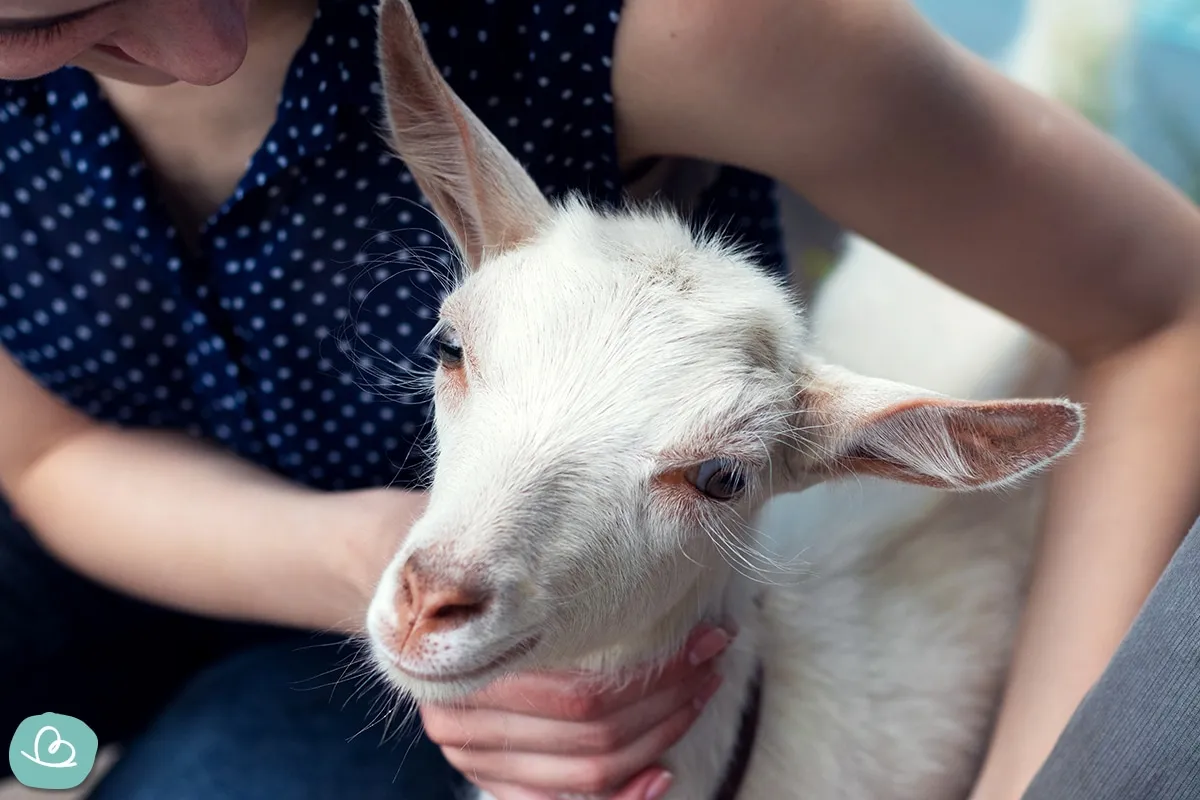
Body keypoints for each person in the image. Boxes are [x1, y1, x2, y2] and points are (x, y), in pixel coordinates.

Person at [0, 1, 1198, 799]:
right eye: (48, 14)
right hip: (150, 535)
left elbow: (1164, 314)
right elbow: (43, 455)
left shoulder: (676, 25)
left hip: (544, 631)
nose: (202, 46)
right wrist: (359, 550)